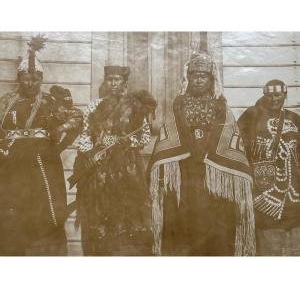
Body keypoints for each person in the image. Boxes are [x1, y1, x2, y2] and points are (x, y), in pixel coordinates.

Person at [149, 50, 255, 256]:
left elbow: (231, 138)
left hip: (214, 176)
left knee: (216, 229)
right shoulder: (178, 105)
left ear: (211, 79)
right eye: (194, 75)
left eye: (203, 76)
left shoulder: (221, 105)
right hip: (185, 176)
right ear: (187, 78)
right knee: (184, 228)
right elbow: (168, 136)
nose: (198, 80)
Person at [0, 35, 83, 256]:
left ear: (41, 79)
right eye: (26, 78)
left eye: (35, 79)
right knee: (11, 211)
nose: (30, 83)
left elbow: (77, 119)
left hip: (42, 165)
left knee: (45, 211)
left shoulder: (49, 102)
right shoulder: (6, 102)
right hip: (11, 166)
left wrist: (58, 144)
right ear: (19, 78)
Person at [73, 65, 157, 255]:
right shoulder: (94, 106)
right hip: (100, 165)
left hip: (128, 166)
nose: (113, 83)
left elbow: (144, 135)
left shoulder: (135, 107)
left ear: (124, 82)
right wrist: (90, 153)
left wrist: (127, 142)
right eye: (109, 79)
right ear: (105, 81)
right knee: (100, 208)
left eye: (117, 79)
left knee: (128, 209)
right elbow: (85, 134)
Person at [238, 79, 300, 256]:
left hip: (294, 192)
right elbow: (238, 145)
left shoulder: (294, 118)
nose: (274, 99)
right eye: (270, 95)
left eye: (278, 95)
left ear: (285, 95)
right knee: (268, 238)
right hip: (263, 191)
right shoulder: (252, 115)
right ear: (264, 96)